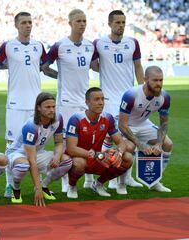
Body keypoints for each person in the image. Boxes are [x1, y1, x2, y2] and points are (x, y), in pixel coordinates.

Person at [0, 12, 57, 197]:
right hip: (15, 104)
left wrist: (63, 77)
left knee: (39, 143)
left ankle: (42, 184)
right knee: (12, 145)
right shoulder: (7, 46)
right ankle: (9, 184)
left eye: (30, 22)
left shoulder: (38, 46)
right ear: (16, 25)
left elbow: (45, 69)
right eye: (23, 23)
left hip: (36, 105)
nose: (28, 25)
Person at [88, 10, 145, 189]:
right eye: (117, 22)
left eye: (123, 22)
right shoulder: (99, 43)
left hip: (129, 98)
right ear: (110, 23)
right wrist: (107, 70)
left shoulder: (133, 43)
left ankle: (125, 177)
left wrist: (142, 90)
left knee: (130, 135)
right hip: (109, 99)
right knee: (108, 139)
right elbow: (92, 64)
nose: (121, 25)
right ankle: (108, 176)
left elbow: (138, 66)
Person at [46, 9, 96, 193]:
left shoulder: (91, 46)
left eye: (84, 21)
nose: (82, 24)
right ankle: (65, 182)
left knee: (89, 140)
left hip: (85, 101)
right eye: (78, 21)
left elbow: (96, 65)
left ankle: (89, 180)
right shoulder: (59, 45)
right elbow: (44, 67)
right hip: (66, 102)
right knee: (67, 144)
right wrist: (60, 76)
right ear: (70, 23)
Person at [6, 92, 72, 206]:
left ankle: (44, 185)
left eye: (53, 106)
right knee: (23, 165)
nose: (52, 110)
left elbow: (59, 142)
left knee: (66, 161)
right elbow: (32, 160)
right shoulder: (31, 126)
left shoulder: (58, 119)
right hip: (18, 153)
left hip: (37, 152)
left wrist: (56, 156)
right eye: (47, 107)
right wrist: (37, 188)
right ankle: (15, 189)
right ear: (39, 108)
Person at [66, 87, 133, 198]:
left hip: (98, 158)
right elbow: (71, 149)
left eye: (102, 99)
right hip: (81, 157)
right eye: (96, 99)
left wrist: (119, 153)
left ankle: (99, 184)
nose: (101, 103)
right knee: (79, 163)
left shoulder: (108, 118)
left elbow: (121, 143)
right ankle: (72, 186)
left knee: (127, 158)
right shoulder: (76, 119)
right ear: (87, 102)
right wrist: (98, 155)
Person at [118, 66, 172, 192]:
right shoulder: (131, 95)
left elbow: (163, 124)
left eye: (161, 80)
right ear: (145, 79)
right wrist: (140, 144)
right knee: (130, 147)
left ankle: (155, 181)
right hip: (127, 125)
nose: (158, 84)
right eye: (155, 80)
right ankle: (121, 183)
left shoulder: (165, 97)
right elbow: (122, 124)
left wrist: (159, 143)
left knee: (167, 144)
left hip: (143, 124)